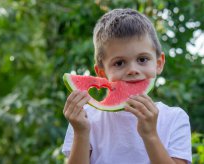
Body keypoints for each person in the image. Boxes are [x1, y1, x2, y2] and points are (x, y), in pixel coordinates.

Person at [62, 8, 192, 164]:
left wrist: (150, 135)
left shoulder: (174, 118)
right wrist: (81, 132)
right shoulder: (85, 119)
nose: (132, 70)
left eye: (142, 59)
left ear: (158, 63)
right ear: (101, 73)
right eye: (119, 63)